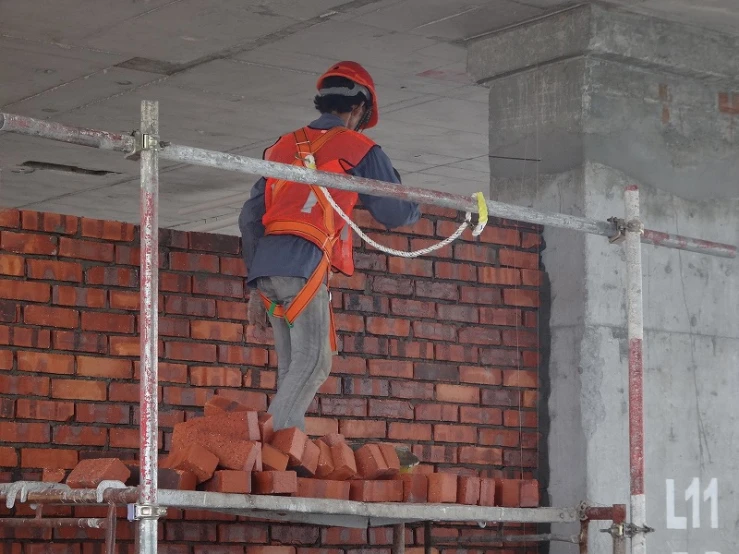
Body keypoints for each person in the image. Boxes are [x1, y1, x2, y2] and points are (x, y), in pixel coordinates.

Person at [239, 61, 421, 432]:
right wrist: (414, 206)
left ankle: (284, 454)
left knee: (293, 367)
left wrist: (255, 284)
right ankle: (266, 441)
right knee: (315, 362)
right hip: (304, 264)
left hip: (268, 266)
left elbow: (249, 217)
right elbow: (395, 210)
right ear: (357, 109)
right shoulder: (358, 147)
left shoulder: (281, 147)